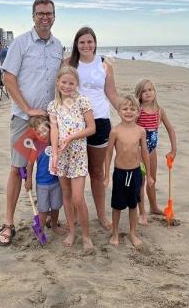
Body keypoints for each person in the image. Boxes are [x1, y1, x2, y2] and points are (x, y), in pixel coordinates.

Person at [0, 0, 63, 247]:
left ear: (54, 16)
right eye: (40, 13)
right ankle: (8, 223)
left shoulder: (58, 47)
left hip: (49, 121)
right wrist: (27, 109)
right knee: (19, 169)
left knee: (49, 168)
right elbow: (8, 78)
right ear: (33, 16)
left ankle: (47, 216)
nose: (44, 17)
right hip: (25, 119)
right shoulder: (21, 44)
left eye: (49, 13)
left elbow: (63, 81)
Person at [65, 27, 120, 230]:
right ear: (76, 44)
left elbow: (111, 93)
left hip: (100, 122)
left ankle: (101, 215)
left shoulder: (104, 66)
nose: (86, 45)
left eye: (90, 42)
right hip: (75, 124)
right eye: (82, 42)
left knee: (96, 172)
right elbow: (61, 90)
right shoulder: (68, 63)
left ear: (95, 43)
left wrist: (125, 111)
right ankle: (76, 216)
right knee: (74, 173)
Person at [48, 66, 96, 252]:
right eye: (64, 82)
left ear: (77, 84)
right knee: (66, 195)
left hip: (78, 155)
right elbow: (54, 129)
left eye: (71, 83)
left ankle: (86, 236)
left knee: (77, 198)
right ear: (58, 83)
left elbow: (91, 128)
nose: (67, 86)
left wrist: (71, 137)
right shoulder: (53, 105)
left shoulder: (82, 101)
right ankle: (72, 232)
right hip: (62, 155)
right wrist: (55, 152)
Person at [104, 95, 151, 247]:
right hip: (119, 173)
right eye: (125, 108)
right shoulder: (115, 131)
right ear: (118, 111)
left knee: (133, 205)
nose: (128, 112)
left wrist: (149, 175)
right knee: (117, 205)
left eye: (132, 109)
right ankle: (115, 233)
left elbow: (145, 153)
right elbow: (109, 153)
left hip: (136, 172)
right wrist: (106, 176)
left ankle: (132, 233)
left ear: (138, 112)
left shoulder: (141, 131)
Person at [135, 78, 177, 221]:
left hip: (152, 151)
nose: (147, 93)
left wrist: (173, 150)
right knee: (140, 181)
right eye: (144, 91)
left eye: (150, 89)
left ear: (154, 91)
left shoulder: (159, 111)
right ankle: (141, 212)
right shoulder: (138, 111)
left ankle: (153, 206)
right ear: (139, 95)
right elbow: (129, 129)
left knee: (152, 180)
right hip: (139, 152)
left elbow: (171, 130)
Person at [24, 115, 66, 237]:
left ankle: (53, 226)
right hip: (42, 183)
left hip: (56, 181)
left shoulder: (55, 141)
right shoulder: (35, 146)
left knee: (55, 206)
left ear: (49, 127)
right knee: (42, 209)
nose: (42, 134)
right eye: (38, 133)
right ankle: (40, 230)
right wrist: (29, 180)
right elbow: (30, 164)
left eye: (44, 130)